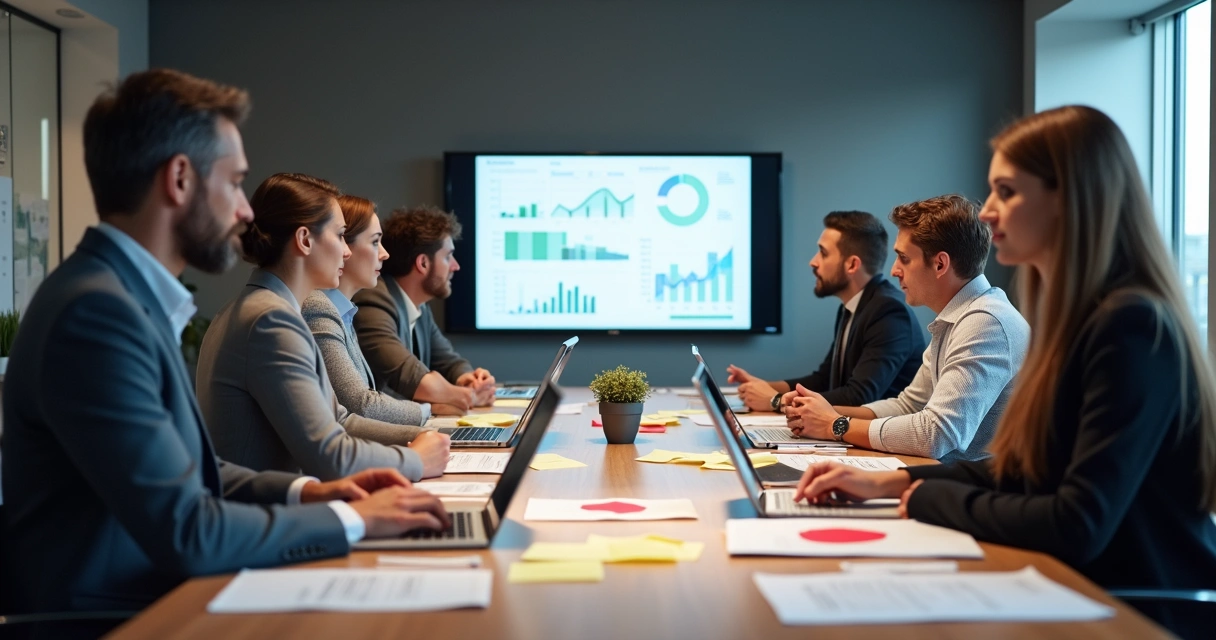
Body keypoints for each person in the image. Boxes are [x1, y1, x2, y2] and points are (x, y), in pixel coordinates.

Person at [0, 69, 448, 624]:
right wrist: (354, 521)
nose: (243, 211)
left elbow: (190, 469)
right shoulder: (97, 314)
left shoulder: (115, 295)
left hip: (151, 593)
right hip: (119, 614)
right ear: (180, 179)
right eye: (234, 183)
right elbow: (187, 529)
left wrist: (311, 493)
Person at [794, 106, 1216, 638]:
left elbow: (1076, 521)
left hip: (1141, 610)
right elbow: (1026, 469)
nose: (988, 213)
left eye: (1006, 192)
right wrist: (892, 482)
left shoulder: (1129, 325)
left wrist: (926, 497)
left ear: (1071, 198)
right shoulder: (1084, 317)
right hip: (1087, 591)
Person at [196, 173, 450, 481]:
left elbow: (338, 420)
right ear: (304, 240)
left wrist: (425, 438)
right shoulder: (271, 320)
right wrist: (414, 459)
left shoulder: (253, 308)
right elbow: (329, 455)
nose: (346, 251)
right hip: (270, 515)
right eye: (341, 235)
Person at [783, 195, 1029, 462]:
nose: (894, 270)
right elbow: (908, 406)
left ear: (940, 264)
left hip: (989, 491)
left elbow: (936, 435)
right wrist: (819, 412)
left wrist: (835, 425)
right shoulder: (958, 318)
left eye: (903, 258)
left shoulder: (985, 322)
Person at [727, 210, 924, 411]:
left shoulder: (889, 312)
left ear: (852, 264)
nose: (813, 261)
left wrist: (776, 401)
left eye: (823, 253)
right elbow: (823, 379)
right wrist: (762, 387)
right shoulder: (851, 308)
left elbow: (858, 396)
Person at [302, 195, 431, 425]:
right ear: (344, 247)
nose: (384, 253)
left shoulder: (344, 311)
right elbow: (361, 405)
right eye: (374, 242)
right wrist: (426, 413)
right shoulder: (318, 308)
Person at [353, 205, 495, 413]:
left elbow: (448, 361)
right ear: (423, 263)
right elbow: (408, 375)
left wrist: (469, 379)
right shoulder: (374, 301)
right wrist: (469, 397)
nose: (455, 266)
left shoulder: (419, 307)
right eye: (448, 257)